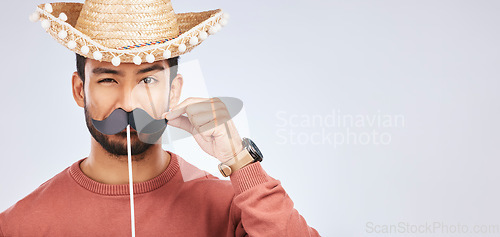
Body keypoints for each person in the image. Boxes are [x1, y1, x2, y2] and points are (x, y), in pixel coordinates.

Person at [0, 0, 320, 236]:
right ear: (80, 89)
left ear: (175, 91)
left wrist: (239, 159)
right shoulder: (20, 225)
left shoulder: (231, 211)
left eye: (148, 80)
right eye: (108, 79)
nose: (127, 103)